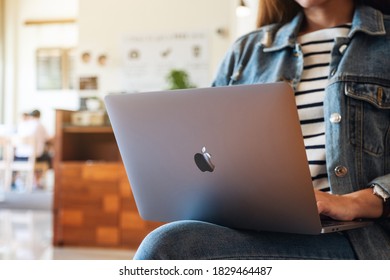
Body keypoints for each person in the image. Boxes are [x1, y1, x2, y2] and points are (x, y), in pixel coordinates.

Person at [134, 0, 390, 260]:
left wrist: (357, 201)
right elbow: (206, 141)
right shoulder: (246, 52)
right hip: (255, 226)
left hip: (357, 237)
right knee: (170, 240)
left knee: (168, 247)